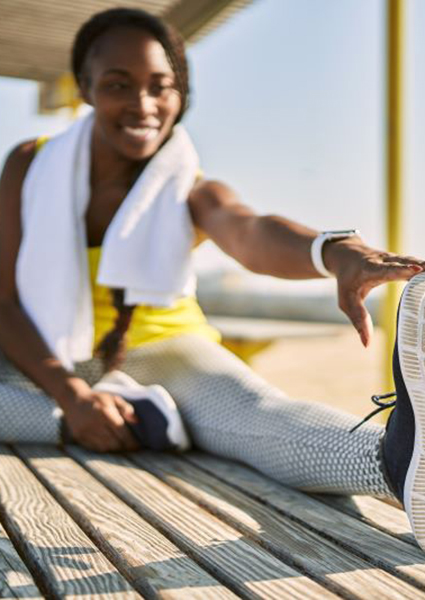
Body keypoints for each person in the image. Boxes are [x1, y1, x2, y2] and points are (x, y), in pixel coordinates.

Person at [0, 7, 425, 550]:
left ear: (181, 94)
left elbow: (249, 231)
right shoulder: (30, 164)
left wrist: (332, 251)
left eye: (162, 87)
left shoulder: (191, 187)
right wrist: (74, 400)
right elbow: (6, 301)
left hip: (167, 351)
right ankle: (145, 420)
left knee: (259, 414)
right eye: (118, 84)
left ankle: (398, 464)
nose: (143, 105)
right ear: (84, 88)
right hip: (41, 354)